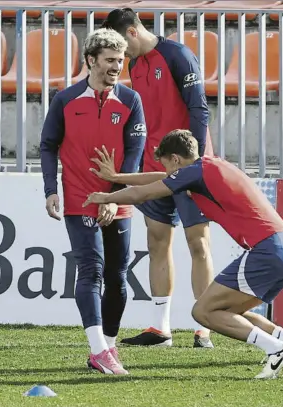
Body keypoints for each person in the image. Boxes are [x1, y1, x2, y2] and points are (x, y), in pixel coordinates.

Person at [83, 130, 283, 379]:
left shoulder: (193, 174)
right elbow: (158, 179)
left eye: (167, 165)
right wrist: (118, 177)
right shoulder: (208, 166)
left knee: (203, 312)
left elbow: (146, 193)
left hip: (268, 250)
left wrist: (107, 197)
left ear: (175, 159)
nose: (168, 173)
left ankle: (277, 349)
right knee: (226, 309)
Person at [101, 8, 215, 348]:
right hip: (157, 165)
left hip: (190, 165)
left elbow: (199, 108)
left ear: (133, 32)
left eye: (123, 46)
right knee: (157, 241)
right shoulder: (136, 66)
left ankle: (204, 327)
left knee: (198, 244)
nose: (121, 57)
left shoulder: (178, 55)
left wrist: (195, 163)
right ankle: (160, 327)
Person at [40, 28, 146, 375]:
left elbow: (135, 152)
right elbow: (48, 145)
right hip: (80, 198)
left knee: (117, 276)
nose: (117, 66)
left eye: (121, 60)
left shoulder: (131, 100)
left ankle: (108, 348)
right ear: (90, 60)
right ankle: (99, 349)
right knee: (92, 270)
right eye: (110, 60)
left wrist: (115, 195)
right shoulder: (65, 99)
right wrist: (50, 189)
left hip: (119, 199)